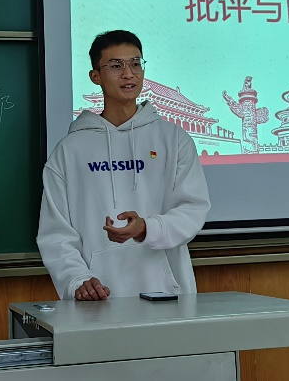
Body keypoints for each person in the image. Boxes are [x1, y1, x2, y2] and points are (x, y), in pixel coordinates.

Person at [37, 30, 211, 301]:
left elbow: (193, 209)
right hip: (97, 298)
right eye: (116, 66)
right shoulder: (69, 151)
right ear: (95, 76)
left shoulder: (174, 139)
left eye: (135, 64)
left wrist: (146, 228)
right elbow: (55, 231)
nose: (129, 74)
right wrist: (77, 279)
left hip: (167, 294)